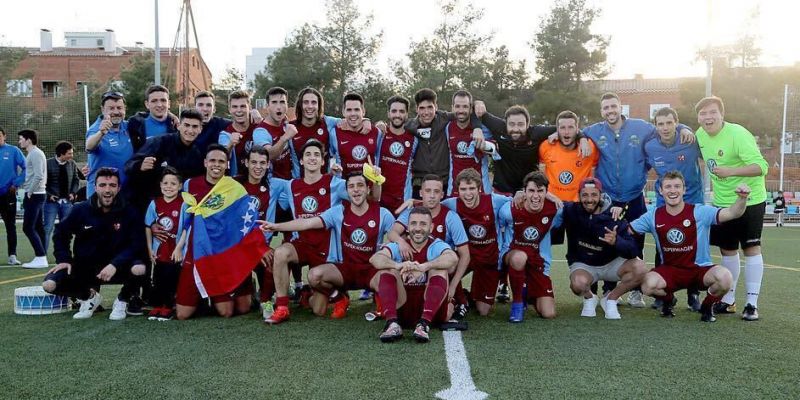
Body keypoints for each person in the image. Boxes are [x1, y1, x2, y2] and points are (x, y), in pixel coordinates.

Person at [582, 92, 693, 307]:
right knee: (607, 241)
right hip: (609, 199)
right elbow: (576, 132)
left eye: (613, 106)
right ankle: (609, 289)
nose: (610, 111)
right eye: (605, 108)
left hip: (634, 197)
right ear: (601, 111)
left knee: (636, 242)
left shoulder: (641, 127)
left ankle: (635, 291)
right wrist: (583, 139)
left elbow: (666, 127)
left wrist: (684, 128)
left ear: (621, 107)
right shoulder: (594, 131)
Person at [260, 172, 391, 319]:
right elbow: (307, 222)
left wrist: (390, 248)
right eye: (351, 186)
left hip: (370, 270)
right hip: (344, 271)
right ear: (346, 191)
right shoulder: (338, 212)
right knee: (316, 292)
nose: (356, 190)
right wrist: (276, 227)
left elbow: (395, 237)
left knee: (389, 277)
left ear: (368, 189)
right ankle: (337, 297)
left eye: (360, 185)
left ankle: (381, 298)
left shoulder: (383, 214)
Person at [630, 171, 747, 322]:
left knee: (725, 278)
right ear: (660, 190)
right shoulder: (652, 215)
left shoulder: (700, 211)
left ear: (684, 190)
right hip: (670, 271)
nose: (673, 190)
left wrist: (742, 198)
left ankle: (707, 306)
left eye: (677, 186)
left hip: (699, 269)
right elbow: (627, 230)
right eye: (668, 187)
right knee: (647, 285)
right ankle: (668, 300)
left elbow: (732, 213)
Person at [262, 139, 353, 325]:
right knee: (280, 252)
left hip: (327, 249)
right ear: (301, 161)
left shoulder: (334, 183)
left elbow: (360, 193)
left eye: (317, 155)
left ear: (322, 161)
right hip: (302, 244)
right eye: (308, 155)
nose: (312, 158)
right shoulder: (290, 185)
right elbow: (262, 178)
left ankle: (317, 295)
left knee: (318, 310)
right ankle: (282, 306)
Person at [695, 96, 769, 321]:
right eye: (703, 114)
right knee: (727, 251)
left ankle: (751, 304)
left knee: (751, 249)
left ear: (721, 114)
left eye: (712, 112)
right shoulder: (699, 135)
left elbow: (762, 167)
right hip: (722, 203)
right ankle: (728, 301)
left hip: (750, 200)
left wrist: (730, 171)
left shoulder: (738, 134)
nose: (708, 118)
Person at [43, 167, 147, 320]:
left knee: (140, 268)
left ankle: (122, 300)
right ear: (95, 186)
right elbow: (60, 232)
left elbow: (136, 244)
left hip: (118, 267)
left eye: (112, 185)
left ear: (119, 188)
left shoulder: (130, 211)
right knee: (49, 285)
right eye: (103, 185)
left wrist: (115, 264)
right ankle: (89, 297)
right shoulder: (80, 209)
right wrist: (64, 259)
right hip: (87, 268)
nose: (107, 190)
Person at [174, 145, 258, 320]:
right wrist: (179, 246)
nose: (216, 165)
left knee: (232, 311)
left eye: (221, 161)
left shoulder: (234, 188)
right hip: (198, 251)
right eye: (212, 160)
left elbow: (244, 222)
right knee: (182, 314)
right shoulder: (191, 184)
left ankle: (242, 289)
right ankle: (203, 296)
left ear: (227, 164)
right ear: (205, 162)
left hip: (223, 254)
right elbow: (187, 220)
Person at [644, 106, 705, 311]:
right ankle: (664, 293)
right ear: (656, 126)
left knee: (693, 246)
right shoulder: (650, 146)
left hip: (692, 200)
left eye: (669, 122)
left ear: (676, 123)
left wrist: (688, 129)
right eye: (660, 124)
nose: (665, 127)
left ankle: (693, 293)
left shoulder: (690, 141)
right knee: (663, 243)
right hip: (665, 202)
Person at [561, 177, 647, 319]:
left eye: (594, 194)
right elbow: (552, 203)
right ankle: (590, 298)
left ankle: (610, 299)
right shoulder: (572, 210)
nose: (589, 199)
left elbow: (633, 249)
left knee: (640, 268)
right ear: (579, 196)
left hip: (611, 265)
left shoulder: (613, 215)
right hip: (585, 265)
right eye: (585, 195)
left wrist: (616, 241)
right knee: (577, 285)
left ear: (601, 195)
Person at [370, 207, 458, 342]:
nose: (417, 228)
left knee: (440, 269)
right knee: (386, 269)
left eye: (423, 224)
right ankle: (392, 323)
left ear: (431, 227)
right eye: (413, 223)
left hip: (430, 312)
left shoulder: (435, 245)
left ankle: (423, 325)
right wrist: (398, 265)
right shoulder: (399, 247)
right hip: (403, 309)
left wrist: (424, 267)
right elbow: (375, 259)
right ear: (407, 226)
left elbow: (453, 258)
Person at [440, 168, 510, 316]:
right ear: (457, 190)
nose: (468, 193)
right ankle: (459, 297)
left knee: (483, 310)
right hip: (466, 256)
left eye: (472, 188)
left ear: (479, 188)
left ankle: (468, 295)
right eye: (463, 189)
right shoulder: (451, 204)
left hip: (489, 259)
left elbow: (518, 199)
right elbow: (431, 204)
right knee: (448, 265)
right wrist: (414, 201)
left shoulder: (494, 200)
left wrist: (522, 194)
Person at [498, 171, 561, 322]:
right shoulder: (509, 209)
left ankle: (526, 291)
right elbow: (497, 228)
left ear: (547, 192)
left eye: (540, 191)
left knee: (548, 313)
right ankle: (518, 303)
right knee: (520, 257)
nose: (535, 196)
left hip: (537, 261)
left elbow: (575, 210)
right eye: (531, 191)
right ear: (524, 191)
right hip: (512, 255)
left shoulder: (556, 210)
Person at [234, 147, 286, 320]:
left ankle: (266, 300)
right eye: (254, 162)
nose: (258, 167)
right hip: (238, 248)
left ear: (268, 165)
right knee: (243, 308)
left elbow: (302, 186)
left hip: (262, 246)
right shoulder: (234, 185)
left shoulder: (275, 185)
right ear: (246, 163)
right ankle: (249, 287)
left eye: (262, 163)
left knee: (273, 259)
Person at [125, 108, 206, 210]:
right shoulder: (159, 142)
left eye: (194, 126)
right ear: (179, 126)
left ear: (200, 129)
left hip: (181, 208)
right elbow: (128, 166)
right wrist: (139, 166)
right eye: (186, 125)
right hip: (151, 205)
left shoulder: (199, 153)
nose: (190, 130)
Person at [404, 88, 482, 194]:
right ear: (417, 109)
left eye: (430, 107)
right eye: (422, 108)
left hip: (443, 183)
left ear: (436, 107)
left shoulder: (444, 118)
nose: (426, 112)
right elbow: (394, 125)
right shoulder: (409, 126)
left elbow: (465, 112)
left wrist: (477, 125)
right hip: (419, 184)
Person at [144, 167, 187, 320]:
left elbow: (186, 228)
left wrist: (179, 248)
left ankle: (168, 306)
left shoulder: (183, 204)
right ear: (160, 185)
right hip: (160, 249)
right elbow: (148, 226)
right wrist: (150, 249)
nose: (169, 187)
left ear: (180, 186)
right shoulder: (154, 204)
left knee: (171, 277)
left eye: (173, 184)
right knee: (158, 277)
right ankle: (158, 305)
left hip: (174, 249)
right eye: (166, 183)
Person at [538, 110, 599, 202]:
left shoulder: (589, 147)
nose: (566, 132)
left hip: (578, 204)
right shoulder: (546, 146)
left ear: (577, 129)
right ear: (557, 129)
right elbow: (541, 178)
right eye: (562, 128)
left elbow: (594, 176)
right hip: (553, 202)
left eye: (571, 127)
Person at [444, 90, 493, 196]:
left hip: (481, 189)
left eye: (465, 106)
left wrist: (485, 146)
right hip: (455, 189)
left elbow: (496, 148)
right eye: (457, 106)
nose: (461, 110)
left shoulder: (483, 128)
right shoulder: (448, 128)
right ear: (452, 108)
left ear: (471, 109)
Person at [85, 91, 133, 197]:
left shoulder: (129, 126)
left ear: (125, 109)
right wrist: (101, 133)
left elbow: (148, 117)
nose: (116, 112)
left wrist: (171, 116)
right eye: (111, 108)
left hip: (125, 193)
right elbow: (89, 147)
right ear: (103, 110)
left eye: (119, 108)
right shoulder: (96, 128)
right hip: (101, 195)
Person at [376, 95, 417, 212]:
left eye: (401, 111)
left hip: (402, 201)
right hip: (378, 199)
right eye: (394, 111)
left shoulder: (414, 140)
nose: (397, 115)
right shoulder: (379, 134)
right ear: (388, 113)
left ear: (407, 114)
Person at [43, 140, 83, 254]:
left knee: (66, 229)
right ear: (61, 153)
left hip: (67, 202)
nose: (72, 155)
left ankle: (65, 253)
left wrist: (73, 193)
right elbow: (41, 183)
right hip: (51, 203)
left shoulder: (72, 164)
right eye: (69, 153)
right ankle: (42, 255)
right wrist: (48, 195)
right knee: (47, 228)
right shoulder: (47, 163)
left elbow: (76, 180)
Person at [330, 93, 382, 176]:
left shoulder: (376, 133)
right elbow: (327, 158)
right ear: (343, 112)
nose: (353, 113)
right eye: (349, 110)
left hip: (368, 187)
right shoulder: (334, 133)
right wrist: (332, 167)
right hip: (344, 186)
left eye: (357, 109)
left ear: (363, 111)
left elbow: (380, 161)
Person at [18, 129, 48, 269]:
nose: (20, 141)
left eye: (21, 138)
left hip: (35, 194)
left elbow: (38, 175)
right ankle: (42, 257)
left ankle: (40, 256)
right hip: (37, 193)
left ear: (28, 140)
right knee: (37, 226)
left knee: (28, 227)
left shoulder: (35, 153)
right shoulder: (33, 153)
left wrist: (29, 191)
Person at [0, 126, 26, 265]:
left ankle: (12, 255)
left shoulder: (13, 151)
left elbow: (27, 168)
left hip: (7, 194)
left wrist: (16, 183)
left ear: (4, 136)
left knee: (10, 225)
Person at [127, 84, 178, 151]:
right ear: (147, 104)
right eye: (154, 101)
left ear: (169, 104)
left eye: (163, 100)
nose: (159, 105)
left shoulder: (177, 126)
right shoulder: (135, 125)